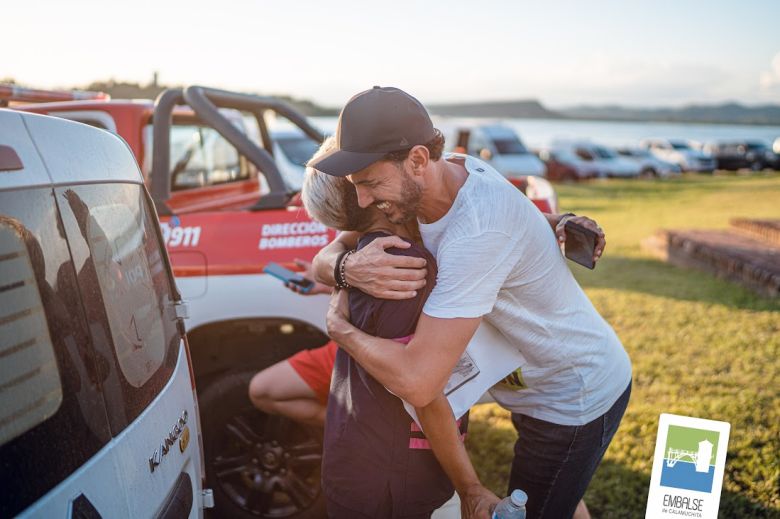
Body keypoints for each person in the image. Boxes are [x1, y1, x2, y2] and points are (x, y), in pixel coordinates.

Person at [309, 86, 632, 519]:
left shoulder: (476, 232)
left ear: (419, 160)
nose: (364, 200)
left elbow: (420, 383)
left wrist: (340, 329)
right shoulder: (445, 177)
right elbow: (332, 250)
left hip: (571, 394)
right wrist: (345, 268)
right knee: (561, 495)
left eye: (369, 185)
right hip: (528, 382)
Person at [300, 138, 499, 519]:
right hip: (392, 474)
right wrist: (469, 488)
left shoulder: (366, 253)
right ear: (373, 196)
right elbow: (422, 390)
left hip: (360, 457)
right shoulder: (402, 266)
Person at [248, 263, 337, 427]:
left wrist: (330, 281)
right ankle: (353, 425)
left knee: (262, 390)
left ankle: (359, 427)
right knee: (262, 390)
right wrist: (327, 284)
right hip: (345, 346)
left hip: (362, 350)